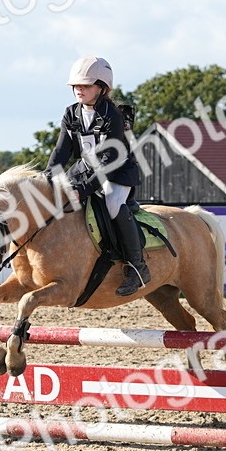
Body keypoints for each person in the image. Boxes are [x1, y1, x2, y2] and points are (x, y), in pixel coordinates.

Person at [46, 55, 148, 296]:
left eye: (85, 85)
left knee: (112, 204)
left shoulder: (113, 115)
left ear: (102, 88)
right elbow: (61, 151)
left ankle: (137, 267)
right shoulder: (71, 113)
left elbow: (109, 161)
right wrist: (48, 178)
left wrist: (82, 190)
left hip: (117, 171)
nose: (79, 90)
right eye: (76, 85)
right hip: (86, 169)